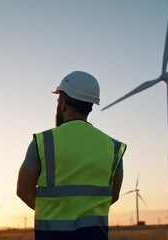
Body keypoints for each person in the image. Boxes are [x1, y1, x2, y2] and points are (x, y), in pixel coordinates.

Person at [17, 71, 127, 240]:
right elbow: (113, 195)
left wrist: (54, 214)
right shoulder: (113, 147)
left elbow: (23, 191)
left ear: (63, 104)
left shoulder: (43, 142)